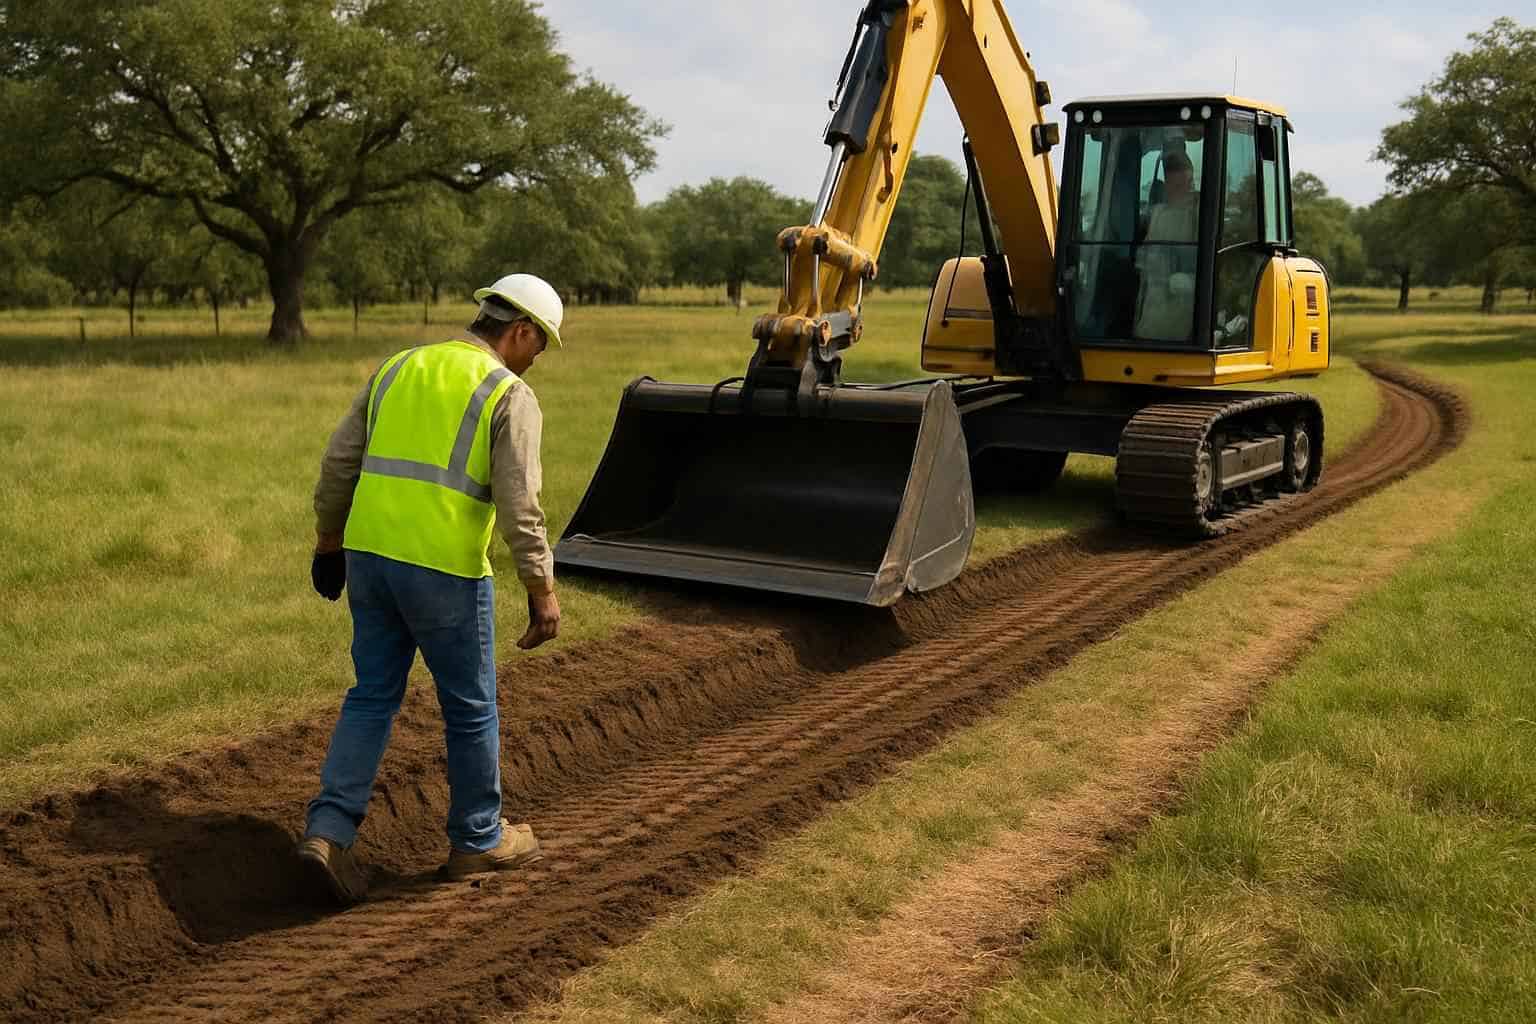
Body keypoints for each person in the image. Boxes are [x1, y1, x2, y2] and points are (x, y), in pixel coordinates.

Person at [296, 273, 564, 905]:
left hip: (369, 558)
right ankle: (477, 839)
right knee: (470, 708)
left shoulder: (399, 367)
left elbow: (339, 462)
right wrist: (541, 587)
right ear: (519, 330)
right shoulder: (507, 391)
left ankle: (327, 832)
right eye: (541, 345)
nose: (538, 359)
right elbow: (521, 504)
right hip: (444, 570)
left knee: (371, 697)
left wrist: (328, 542)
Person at [1134, 149, 1200, 341]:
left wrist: (1184, 279)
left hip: (1183, 299)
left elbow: (1205, 263)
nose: (1184, 189)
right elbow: (1144, 255)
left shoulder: (1199, 214)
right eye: (1176, 184)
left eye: (1187, 183)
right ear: (1167, 184)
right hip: (1153, 299)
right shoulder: (1157, 214)